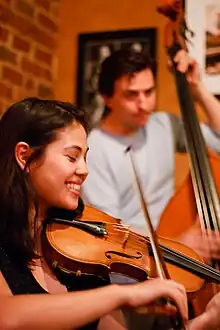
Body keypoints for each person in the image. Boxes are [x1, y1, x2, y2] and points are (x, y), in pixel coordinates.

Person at [0, 97, 189, 330]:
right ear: (24, 156)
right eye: (71, 157)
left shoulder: (81, 254)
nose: (84, 170)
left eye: (85, 157)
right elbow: (7, 317)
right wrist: (120, 295)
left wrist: (205, 323)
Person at [81, 47, 220, 262]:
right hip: (134, 266)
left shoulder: (163, 124)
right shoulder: (94, 149)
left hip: (180, 256)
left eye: (149, 92)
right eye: (131, 95)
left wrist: (197, 89)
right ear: (107, 98)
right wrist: (177, 244)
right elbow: (110, 232)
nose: (144, 104)